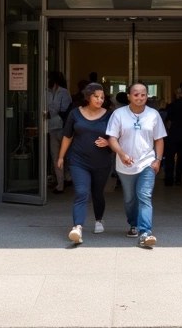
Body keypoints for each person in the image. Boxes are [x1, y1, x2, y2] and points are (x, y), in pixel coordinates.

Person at [106, 82, 167, 248]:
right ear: (129, 96)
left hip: (147, 162)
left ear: (147, 96)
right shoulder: (119, 114)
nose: (140, 97)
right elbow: (112, 138)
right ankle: (133, 224)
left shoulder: (153, 115)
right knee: (129, 200)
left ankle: (145, 232)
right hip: (125, 164)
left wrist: (158, 160)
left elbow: (159, 139)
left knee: (144, 196)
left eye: (143, 94)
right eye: (136, 94)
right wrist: (122, 154)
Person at [57, 83, 114, 245]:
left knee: (97, 193)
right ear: (88, 96)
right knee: (82, 192)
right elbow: (67, 136)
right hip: (78, 161)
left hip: (102, 162)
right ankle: (77, 227)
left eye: (102, 97)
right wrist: (61, 157)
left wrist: (108, 143)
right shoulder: (75, 114)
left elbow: (117, 137)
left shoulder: (109, 115)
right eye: (96, 96)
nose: (100, 100)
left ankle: (99, 220)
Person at [46, 71, 72, 193]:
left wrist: (51, 115)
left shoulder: (64, 92)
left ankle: (65, 179)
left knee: (63, 155)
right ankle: (61, 182)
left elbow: (65, 111)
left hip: (62, 127)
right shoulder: (46, 92)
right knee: (56, 155)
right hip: (50, 127)